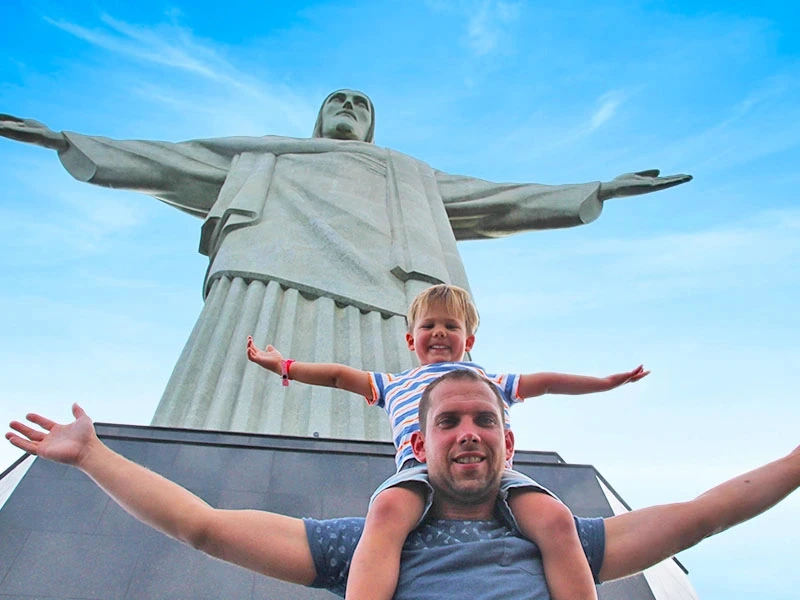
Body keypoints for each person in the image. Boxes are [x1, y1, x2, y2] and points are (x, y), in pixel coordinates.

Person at [0, 91, 691, 439]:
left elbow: (499, 200)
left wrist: (592, 192)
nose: (349, 110)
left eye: (361, 105)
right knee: (232, 388)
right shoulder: (265, 154)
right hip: (262, 276)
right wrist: (65, 140)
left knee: (393, 394)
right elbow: (165, 159)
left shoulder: (408, 174)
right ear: (318, 118)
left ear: (371, 126)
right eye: (338, 101)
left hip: (392, 290)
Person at [6, 369, 800, 599]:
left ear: (508, 440)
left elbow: (704, 514)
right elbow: (204, 527)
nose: (467, 435)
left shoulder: (561, 539)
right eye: (449, 422)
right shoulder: (365, 544)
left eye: (483, 421)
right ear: (417, 444)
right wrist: (93, 456)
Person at [246, 283, 648, 600]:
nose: (439, 332)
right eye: (429, 326)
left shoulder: (490, 382)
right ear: (410, 340)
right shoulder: (393, 383)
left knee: (558, 520)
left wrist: (605, 383)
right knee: (385, 512)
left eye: (451, 326)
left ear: (468, 340)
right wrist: (285, 366)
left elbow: (545, 382)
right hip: (419, 473)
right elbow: (337, 375)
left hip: (494, 477)